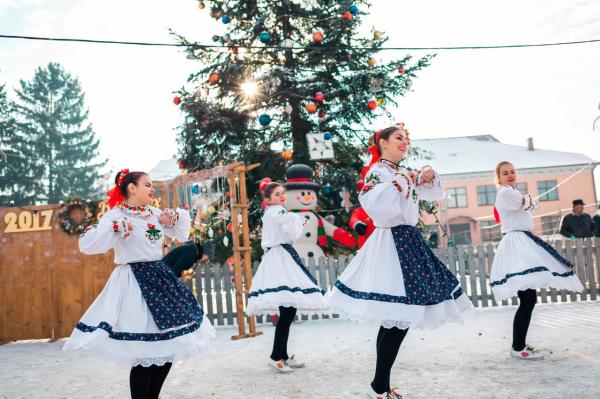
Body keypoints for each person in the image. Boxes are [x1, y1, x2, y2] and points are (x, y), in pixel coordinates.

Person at [328, 124, 471, 399]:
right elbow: (373, 203)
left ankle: (379, 385)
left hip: (407, 241)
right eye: (398, 138)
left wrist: (424, 177)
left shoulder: (401, 173)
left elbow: (431, 195)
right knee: (397, 316)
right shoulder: (378, 172)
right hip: (391, 243)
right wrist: (403, 183)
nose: (405, 142)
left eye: (407, 139)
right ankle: (379, 386)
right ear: (382, 142)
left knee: (397, 319)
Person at [62, 169, 215, 399]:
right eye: (147, 184)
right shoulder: (114, 216)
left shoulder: (154, 213)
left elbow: (182, 235)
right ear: (131, 188)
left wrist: (173, 218)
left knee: (169, 344)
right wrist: (114, 228)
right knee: (144, 352)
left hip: (159, 279)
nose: (152, 189)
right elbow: (89, 245)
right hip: (133, 282)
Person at [490, 162, 583, 360]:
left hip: (522, 241)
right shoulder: (506, 193)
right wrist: (528, 200)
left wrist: (528, 200)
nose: (510, 175)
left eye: (512, 171)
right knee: (528, 299)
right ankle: (517, 347)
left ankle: (519, 344)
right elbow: (528, 203)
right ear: (499, 178)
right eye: (505, 173)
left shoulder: (512, 193)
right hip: (517, 243)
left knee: (528, 298)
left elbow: (529, 203)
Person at [246, 181, 328, 373]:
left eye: (282, 193)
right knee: (287, 311)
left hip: (284, 257)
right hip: (279, 259)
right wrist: (300, 219)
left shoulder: (279, 213)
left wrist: (299, 221)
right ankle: (276, 356)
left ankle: (282, 355)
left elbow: (291, 228)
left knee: (288, 311)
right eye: (276, 194)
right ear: (268, 199)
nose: (281, 196)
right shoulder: (276, 212)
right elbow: (290, 220)